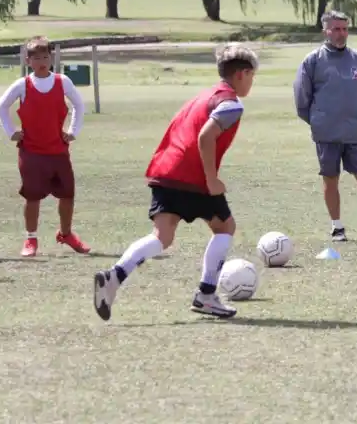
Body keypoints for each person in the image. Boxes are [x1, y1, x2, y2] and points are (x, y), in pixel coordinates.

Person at [92, 44, 259, 321]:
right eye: (252, 76)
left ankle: (114, 276)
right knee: (225, 227)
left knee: (162, 237)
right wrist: (211, 179)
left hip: (165, 171)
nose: (252, 82)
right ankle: (206, 295)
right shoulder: (230, 103)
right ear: (242, 74)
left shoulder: (203, 96)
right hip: (191, 176)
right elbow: (205, 137)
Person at [293, 10, 357, 243]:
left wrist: (356, 115)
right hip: (326, 133)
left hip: (356, 131)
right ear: (325, 31)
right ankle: (337, 227)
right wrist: (320, 120)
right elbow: (301, 100)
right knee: (330, 178)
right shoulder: (313, 61)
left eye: (345, 29)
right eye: (336, 29)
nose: (341, 34)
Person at [0, 36, 91, 257]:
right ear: (28, 60)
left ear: (52, 58)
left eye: (46, 56)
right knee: (33, 197)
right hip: (32, 152)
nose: (42, 61)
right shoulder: (23, 85)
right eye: (36, 57)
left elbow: (78, 105)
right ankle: (31, 239)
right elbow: (1, 106)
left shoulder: (62, 81)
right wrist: (11, 132)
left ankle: (66, 233)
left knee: (68, 194)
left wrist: (73, 131)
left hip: (58, 151)